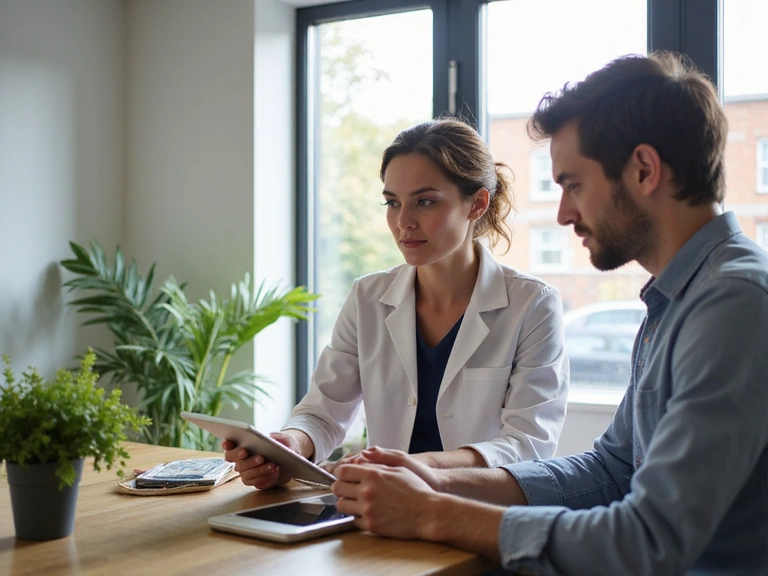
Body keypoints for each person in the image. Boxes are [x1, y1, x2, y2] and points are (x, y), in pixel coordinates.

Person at [330, 52, 768, 575]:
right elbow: (612, 469)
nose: (563, 213)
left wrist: (431, 514)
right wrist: (434, 478)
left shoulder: (734, 303)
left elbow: (650, 540)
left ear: (645, 170)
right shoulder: (677, 300)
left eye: (573, 184)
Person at [224, 117, 569, 490]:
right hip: (382, 511)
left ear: (476, 204)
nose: (403, 221)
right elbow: (323, 412)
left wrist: (413, 466)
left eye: (424, 202)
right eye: (392, 202)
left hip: (476, 510)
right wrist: (290, 447)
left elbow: (527, 444)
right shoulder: (368, 298)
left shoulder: (533, 305)